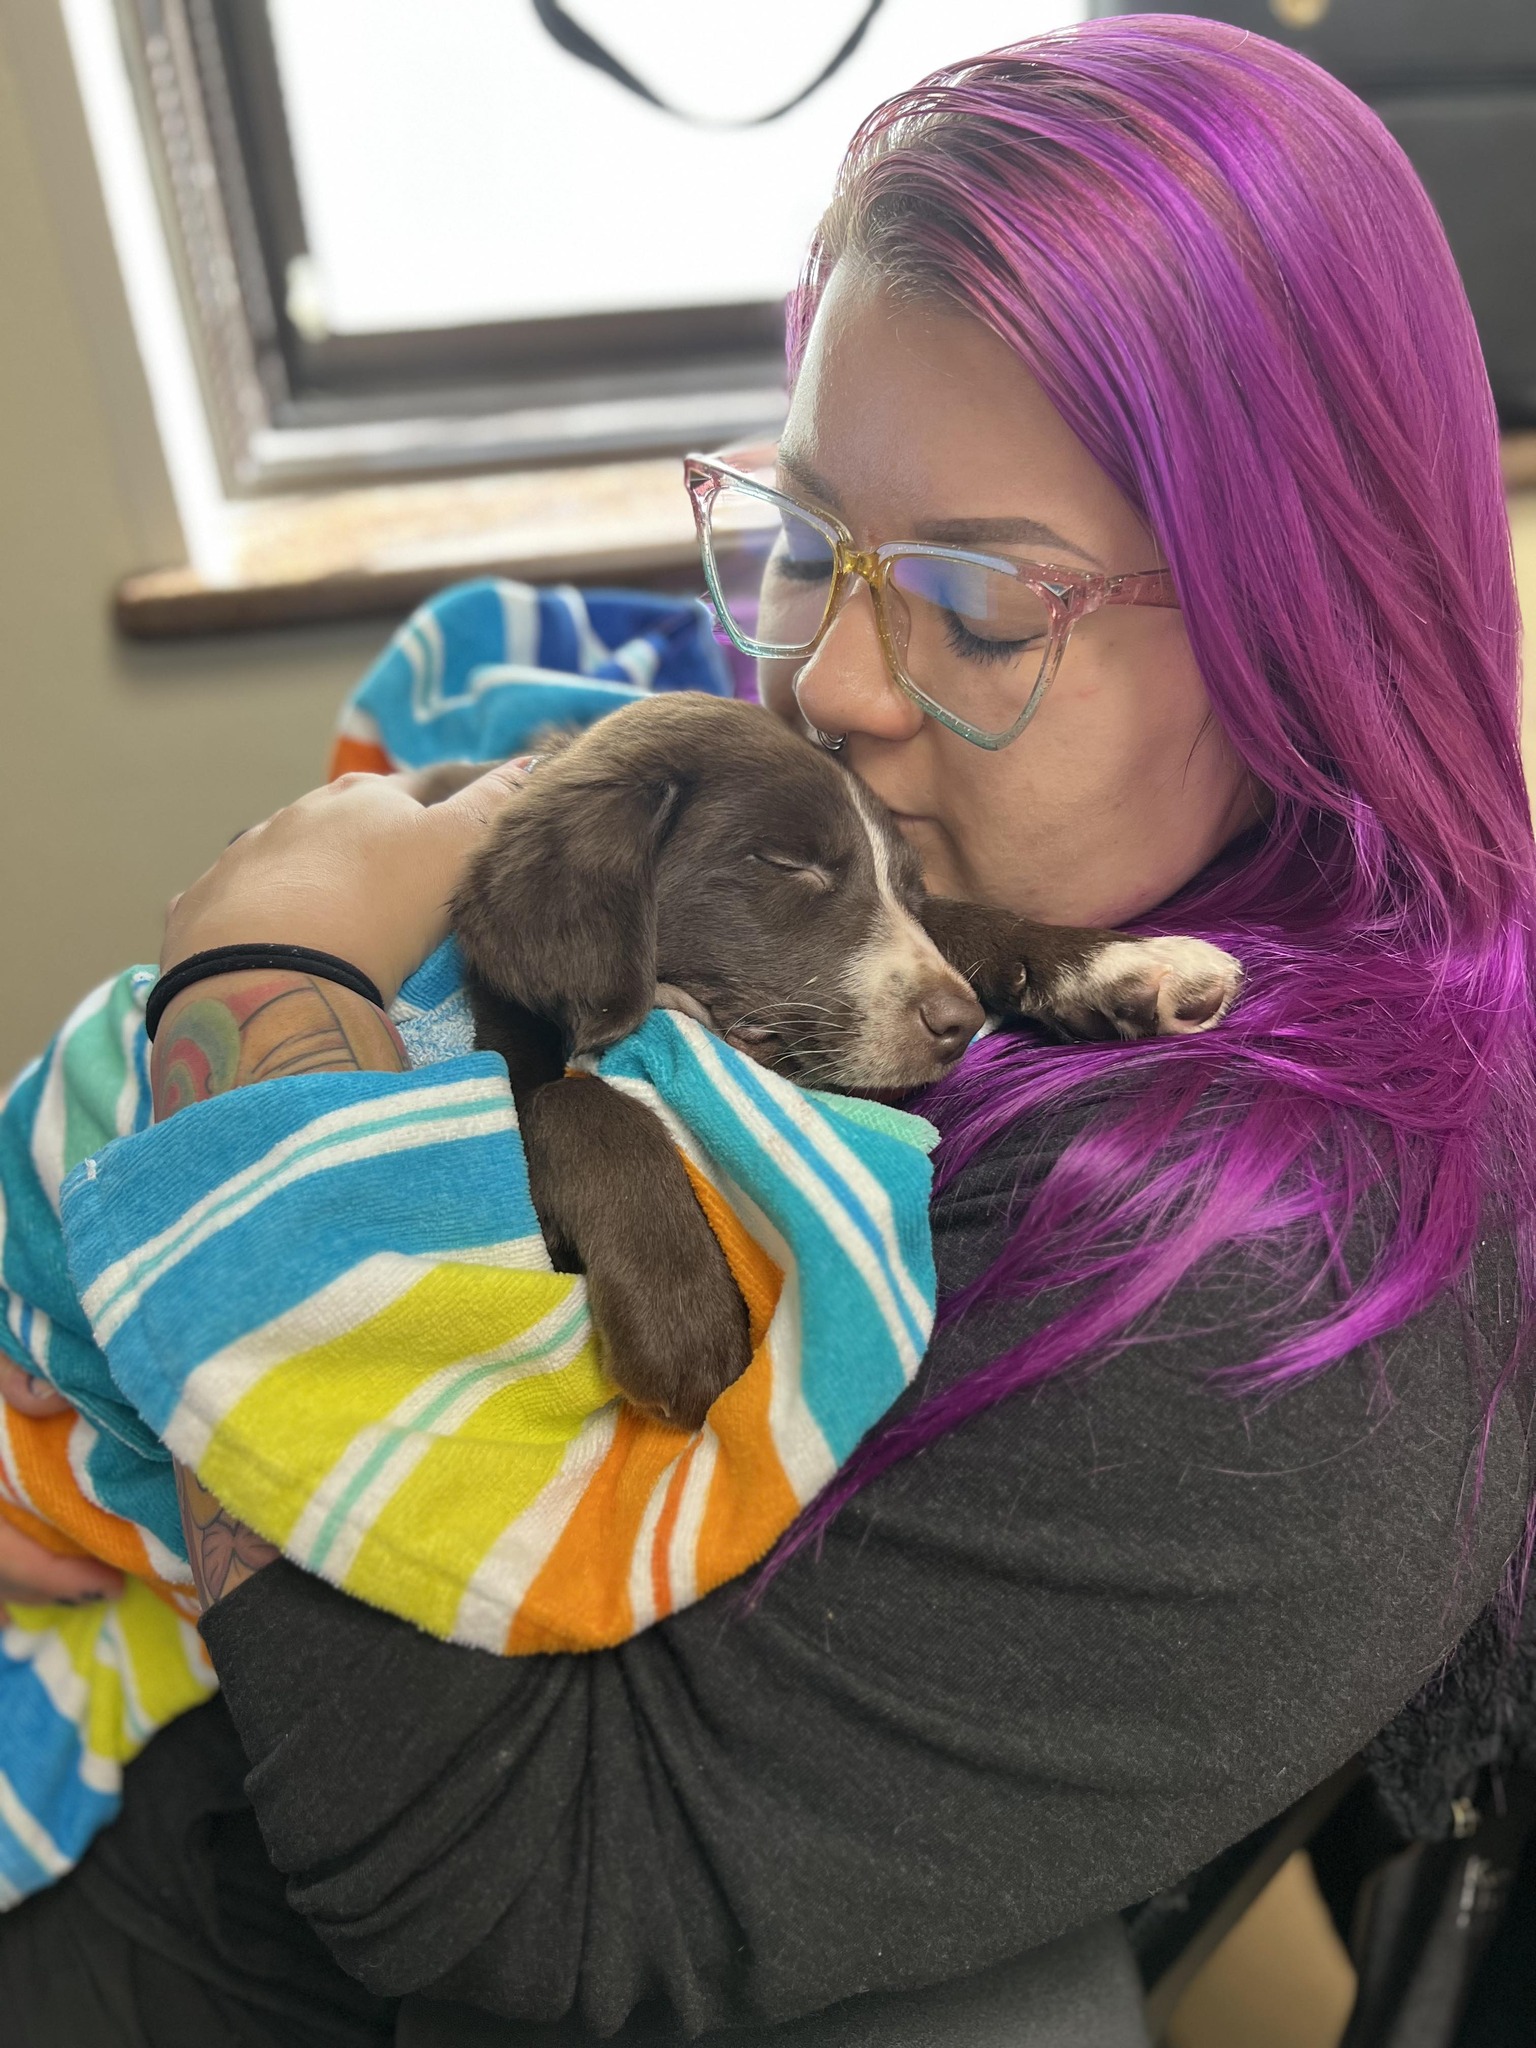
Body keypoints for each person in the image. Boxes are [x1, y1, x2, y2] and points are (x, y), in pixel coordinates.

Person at [3, 16, 1533, 2045]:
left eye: (985, 604)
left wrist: (261, 998)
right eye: (808, 544)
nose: (832, 685)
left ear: (1302, 625)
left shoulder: (1277, 1316)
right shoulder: (1031, 884)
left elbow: (515, 1883)